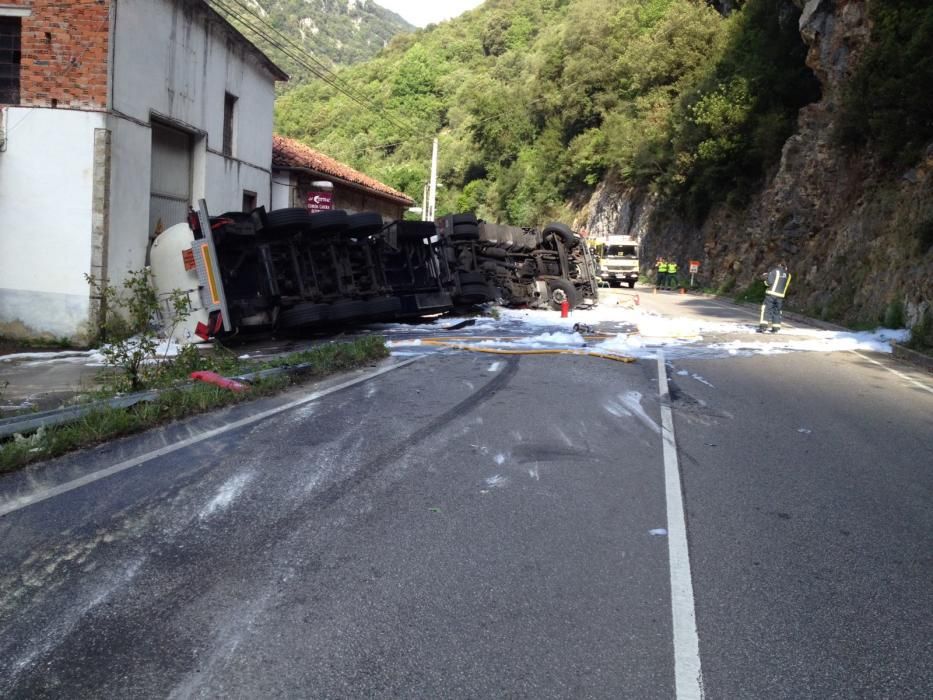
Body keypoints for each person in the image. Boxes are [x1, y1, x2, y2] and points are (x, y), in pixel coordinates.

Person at [758, 260, 791, 333]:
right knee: (777, 311)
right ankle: (776, 328)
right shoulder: (788, 275)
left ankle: (763, 327)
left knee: (766, 309)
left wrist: (765, 278)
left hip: (771, 294)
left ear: (779, 265)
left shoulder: (775, 271)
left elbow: (768, 283)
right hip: (781, 296)